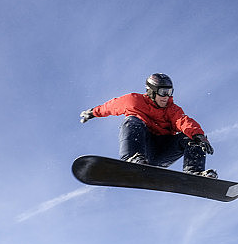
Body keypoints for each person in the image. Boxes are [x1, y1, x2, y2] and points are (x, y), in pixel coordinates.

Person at [80, 73, 216, 178]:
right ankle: (132, 159)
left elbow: (183, 121)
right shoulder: (133, 101)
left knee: (190, 137)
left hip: (163, 152)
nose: (166, 97)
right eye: (163, 92)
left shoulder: (172, 109)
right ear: (152, 91)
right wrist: (92, 113)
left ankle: (194, 172)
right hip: (143, 148)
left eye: (170, 92)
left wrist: (198, 135)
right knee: (132, 121)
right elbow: (110, 106)